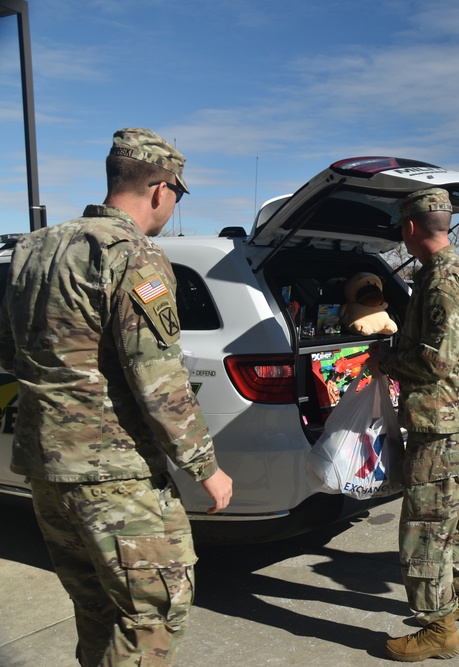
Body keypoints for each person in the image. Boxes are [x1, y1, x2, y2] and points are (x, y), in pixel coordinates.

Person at [0, 128, 233, 666]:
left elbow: (9, 351)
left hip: (45, 467)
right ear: (161, 188)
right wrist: (205, 466)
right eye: (179, 194)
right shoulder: (134, 255)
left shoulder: (32, 250)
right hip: (115, 476)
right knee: (153, 615)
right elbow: (158, 379)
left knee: (99, 608)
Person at [367, 188, 459, 662]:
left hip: (441, 418)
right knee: (455, 507)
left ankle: (437, 627)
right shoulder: (452, 272)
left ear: (411, 229)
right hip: (455, 416)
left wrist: (388, 358)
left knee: (424, 522)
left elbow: (436, 360)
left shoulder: (441, 280)